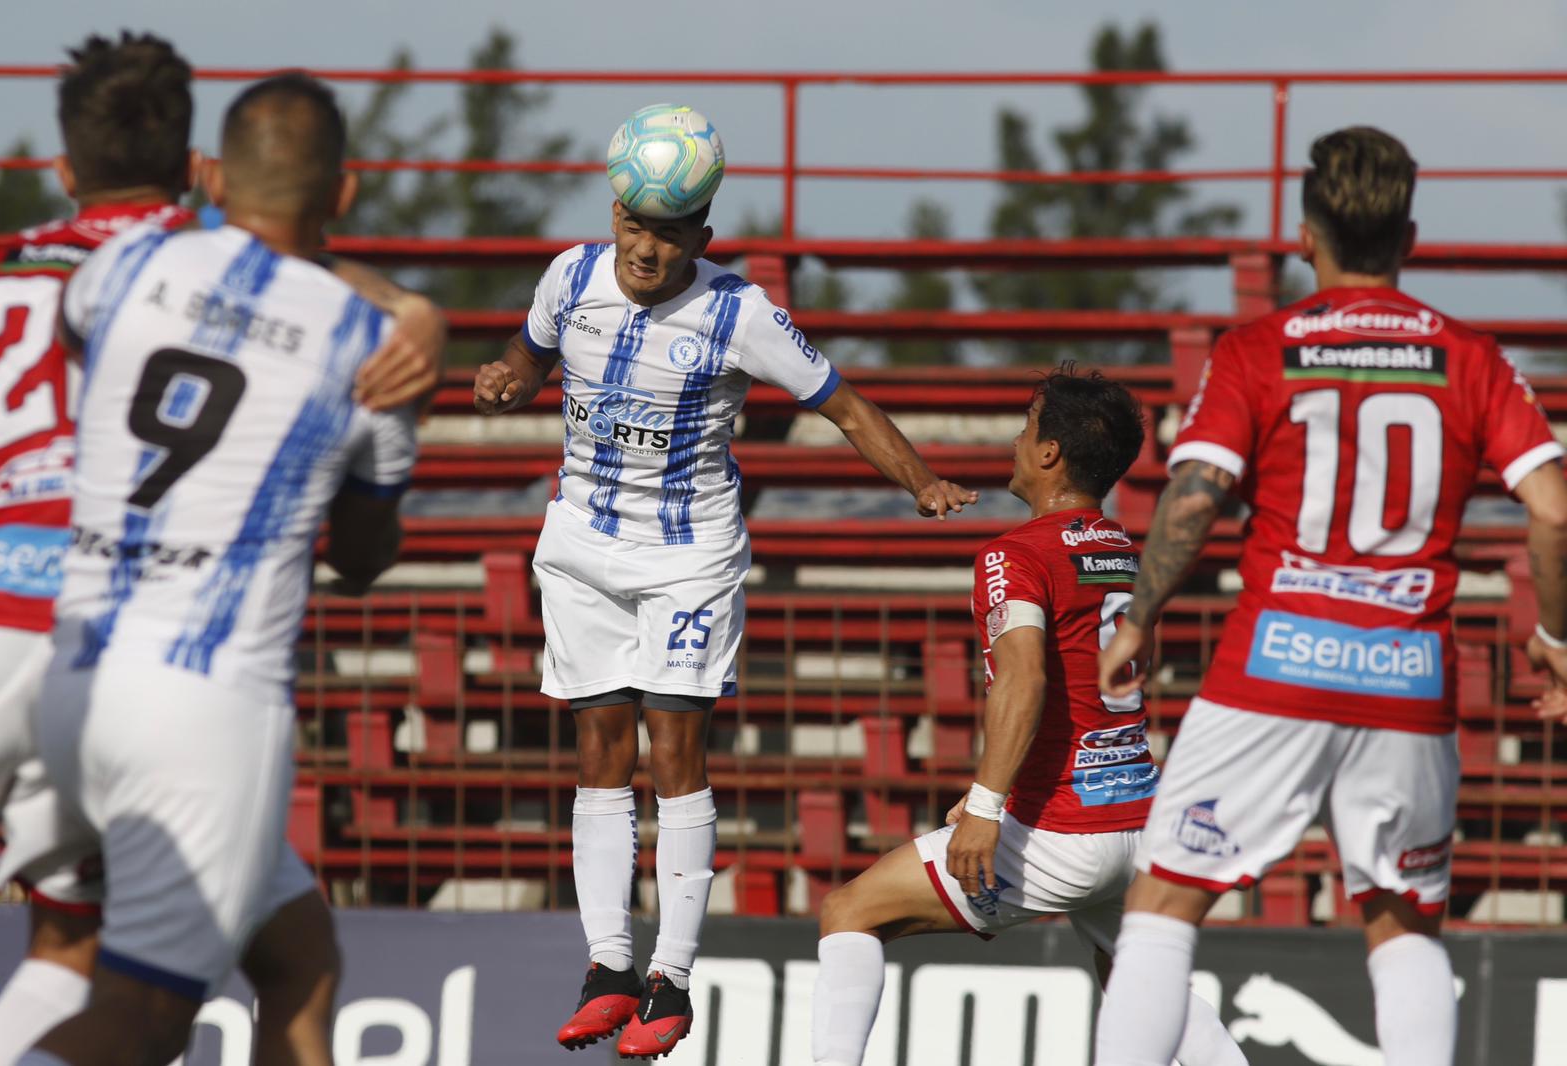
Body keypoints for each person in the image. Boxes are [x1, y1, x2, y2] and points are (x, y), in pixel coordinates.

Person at [0, 36, 442, 1066]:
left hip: (76, 670)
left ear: (215, 179)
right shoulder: (372, 347)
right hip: (203, 698)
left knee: (298, 957)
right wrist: (418, 324)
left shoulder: (125, 268)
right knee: (137, 1015)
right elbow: (363, 556)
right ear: (348, 189)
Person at [473, 114, 979, 1056]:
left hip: (688, 557)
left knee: (674, 755)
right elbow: (528, 351)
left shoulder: (740, 312)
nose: (646, 250)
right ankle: (607, 967)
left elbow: (842, 402)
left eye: (668, 236)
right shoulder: (569, 276)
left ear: (701, 238)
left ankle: (671, 979)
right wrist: (505, 374)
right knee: (597, 753)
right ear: (615, 212)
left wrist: (922, 482)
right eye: (635, 227)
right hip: (580, 544)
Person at [1092, 127, 1567, 1066]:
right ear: (1411, 238)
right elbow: (1553, 509)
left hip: (1276, 662)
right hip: (1407, 674)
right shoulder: (1471, 356)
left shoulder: (1258, 349)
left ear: (1306, 235)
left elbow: (1193, 496)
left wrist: (1139, 615)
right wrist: (1554, 632)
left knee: (1163, 903)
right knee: (1401, 924)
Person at [809, 367, 1245, 1066]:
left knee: (849, 912)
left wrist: (986, 809)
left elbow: (1023, 679)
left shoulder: (1014, 555)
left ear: (1048, 454)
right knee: (1139, 981)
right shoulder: (1119, 552)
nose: (1015, 440)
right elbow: (1117, 672)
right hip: (1138, 821)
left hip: (1067, 831)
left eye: (1025, 428)